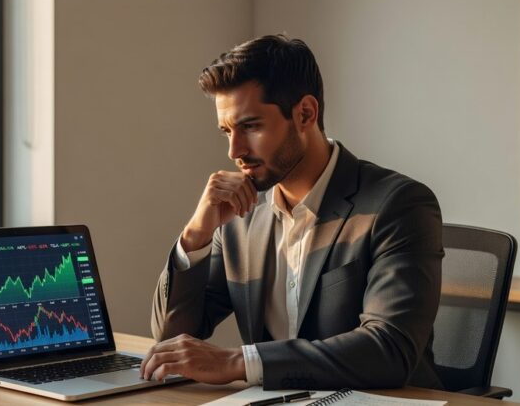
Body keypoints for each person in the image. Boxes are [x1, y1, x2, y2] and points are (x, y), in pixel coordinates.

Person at [141, 34, 444, 390]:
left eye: (250, 126)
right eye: (226, 131)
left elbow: (389, 349)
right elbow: (173, 340)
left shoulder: (397, 204)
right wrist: (196, 233)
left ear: (304, 114)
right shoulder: (239, 217)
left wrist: (240, 361)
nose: (234, 150)